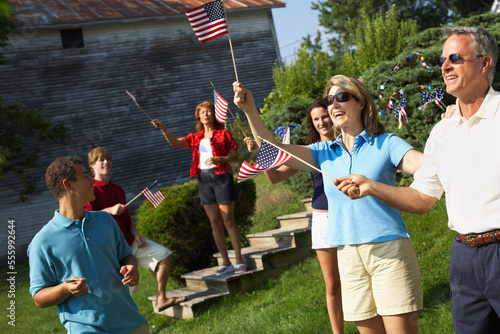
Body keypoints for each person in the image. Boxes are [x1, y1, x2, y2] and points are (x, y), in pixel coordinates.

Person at [334, 26, 499, 334]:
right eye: (442, 60)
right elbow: (423, 198)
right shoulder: (442, 132)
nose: (445, 66)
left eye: (455, 58)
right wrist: (371, 186)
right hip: (463, 256)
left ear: (484, 63)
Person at [234, 76, 424, 334]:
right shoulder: (323, 152)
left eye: (342, 97)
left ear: (360, 102)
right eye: (330, 100)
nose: (334, 104)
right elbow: (274, 149)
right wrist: (250, 111)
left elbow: (427, 167)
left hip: (388, 249)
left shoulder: (386, 143)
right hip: (347, 253)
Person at [245, 98, 343, 333]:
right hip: (323, 220)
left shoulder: (350, 143)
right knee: (332, 286)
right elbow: (275, 178)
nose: (322, 122)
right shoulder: (307, 152)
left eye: (324, 116)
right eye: (316, 119)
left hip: (350, 215)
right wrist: (261, 156)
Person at [28, 157, 149, 333]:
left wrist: (131, 267)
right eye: (85, 176)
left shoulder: (106, 220)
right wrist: (65, 288)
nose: (92, 180)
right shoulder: (42, 241)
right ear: (67, 184)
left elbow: (126, 255)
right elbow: (39, 298)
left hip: (131, 322)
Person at [84, 147, 186, 311]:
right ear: (92, 165)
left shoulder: (118, 189)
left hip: (131, 242)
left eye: (108, 159)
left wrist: (136, 235)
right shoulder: (91, 190)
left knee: (164, 255)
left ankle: (161, 298)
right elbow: (88, 217)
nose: (106, 162)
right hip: (113, 251)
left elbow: (127, 218)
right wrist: (110, 210)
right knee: (126, 292)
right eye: (101, 160)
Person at [151, 101, 246, 275]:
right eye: (202, 112)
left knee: (228, 220)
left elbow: (235, 157)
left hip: (221, 177)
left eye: (209, 111)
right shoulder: (194, 137)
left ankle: (239, 260)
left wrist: (219, 159)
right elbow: (173, 142)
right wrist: (164, 128)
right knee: (215, 222)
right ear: (199, 117)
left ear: (213, 115)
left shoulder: (223, 133)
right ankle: (226, 263)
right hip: (204, 179)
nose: (206, 114)